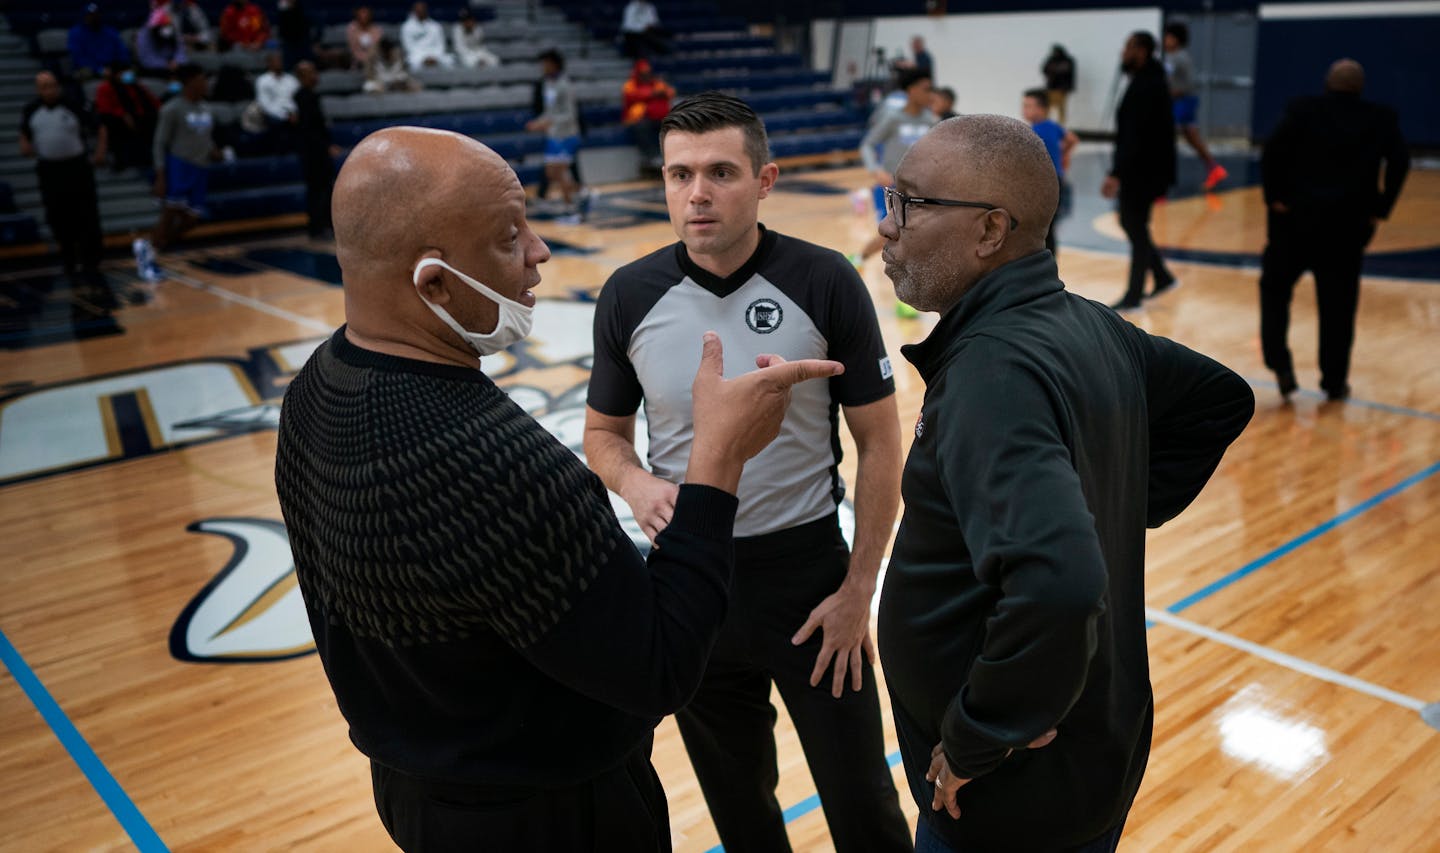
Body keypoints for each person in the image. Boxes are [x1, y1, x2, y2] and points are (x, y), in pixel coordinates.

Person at [273, 124, 844, 851]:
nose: (540, 252)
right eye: (510, 237)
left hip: (415, 790)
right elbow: (660, 667)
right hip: (554, 815)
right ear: (435, 281)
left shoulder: (316, 386)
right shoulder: (497, 468)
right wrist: (718, 459)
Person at [874, 114, 1255, 853]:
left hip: (1007, 795)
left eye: (910, 204)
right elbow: (1219, 398)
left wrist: (983, 734)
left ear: (989, 231)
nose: (889, 227)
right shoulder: (1090, 323)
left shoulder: (994, 372)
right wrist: (1110, 502)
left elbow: (1060, 583)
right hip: (1092, 753)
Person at [585, 91, 912, 853]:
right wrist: (636, 485)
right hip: (691, 581)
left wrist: (859, 587)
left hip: (810, 579)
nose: (696, 193)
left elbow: (882, 443)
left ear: (766, 181)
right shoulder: (630, 295)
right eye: (679, 175)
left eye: (720, 172)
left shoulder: (825, 278)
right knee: (740, 808)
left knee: (863, 800)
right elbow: (603, 433)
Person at [1258, 58, 1409, 402]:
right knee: (1339, 308)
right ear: (1360, 86)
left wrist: (1275, 197)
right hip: (1346, 228)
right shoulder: (1380, 118)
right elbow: (1400, 162)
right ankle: (1334, 382)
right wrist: (1380, 208)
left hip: (1294, 223)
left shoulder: (1301, 110)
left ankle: (1280, 365)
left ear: (1327, 81)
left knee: (1275, 292)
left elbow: (1272, 152)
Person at [19, 71, 111, 305]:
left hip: (77, 168)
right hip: (50, 171)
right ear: (38, 89)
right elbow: (24, 133)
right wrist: (25, 145)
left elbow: (99, 127)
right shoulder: (31, 110)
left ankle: (92, 261)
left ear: (58, 86)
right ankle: (69, 259)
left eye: (51, 85)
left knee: (86, 215)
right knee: (58, 216)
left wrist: (100, 152)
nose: (48, 90)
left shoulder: (74, 105)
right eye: (43, 86)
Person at [1103, 31, 1178, 312]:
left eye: (1128, 47)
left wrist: (1116, 173)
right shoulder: (1150, 79)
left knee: (1134, 225)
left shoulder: (1147, 85)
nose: (1123, 53)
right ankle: (1161, 275)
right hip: (1147, 168)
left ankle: (1134, 295)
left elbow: (1136, 136)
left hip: (1143, 170)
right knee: (1133, 225)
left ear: (1142, 51)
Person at [854, 67, 937, 310]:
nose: (930, 93)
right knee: (894, 235)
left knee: (905, 237)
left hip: (918, 191)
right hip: (890, 188)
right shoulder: (892, 118)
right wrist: (875, 170)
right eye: (926, 88)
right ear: (911, 91)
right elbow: (868, 145)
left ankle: (902, 297)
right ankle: (862, 260)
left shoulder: (930, 121)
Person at [133, 63, 219, 283]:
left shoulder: (206, 109)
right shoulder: (172, 108)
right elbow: (159, 143)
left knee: (191, 220)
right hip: (179, 166)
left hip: (200, 169)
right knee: (169, 213)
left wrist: (213, 150)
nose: (206, 83)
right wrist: (161, 175)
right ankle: (149, 256)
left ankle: (149, 246)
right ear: (190, 82)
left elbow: (205, 138)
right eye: (202, 78)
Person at [1163, 22, 1226, 191]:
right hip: (1181, 102)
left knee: (1166, 136)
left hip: (1184, 102)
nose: (1165, 40)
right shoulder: (1170, 57)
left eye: (1168, 37)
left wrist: (1174, 93)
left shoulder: (1180, 57)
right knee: (1192, 137)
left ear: (1176, 40)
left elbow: (1189, 83)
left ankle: (1162, 175)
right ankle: (1214, 167)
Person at [526, 49, 585, 223]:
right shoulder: (548, 84)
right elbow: (550, 111)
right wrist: (539, 122)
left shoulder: (565, 85)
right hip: (554, 134)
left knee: (559, 172)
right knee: (550, 172)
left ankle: (572, 209)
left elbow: (569, 114)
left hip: (565, 134)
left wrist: (548, 122)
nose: (542, 67)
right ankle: (584, 194)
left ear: (554, 64)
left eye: (545, 63)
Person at [1022, 88, 1077, 257]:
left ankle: (1046, 266)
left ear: (1042, 109)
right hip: (1056, 180)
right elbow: (1072, 139)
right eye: (1024, 106)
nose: (1024, 110)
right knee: (1049, 229)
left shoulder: (1036, 131)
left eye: (1028, 106)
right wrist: (1064, 155)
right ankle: (1050, 267)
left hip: (1046, 183)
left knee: (1043, 230)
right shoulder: (1053, 126)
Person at [293, 61, 341, 238]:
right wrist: (325, 146)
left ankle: (326, 225)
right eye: (310, 72)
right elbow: (308, 129)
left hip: (318, 150)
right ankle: (317, 227)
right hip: (312, 152)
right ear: (301, 77)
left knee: (326, 188)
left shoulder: (312, 95)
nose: (315, 75)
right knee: (316, 190)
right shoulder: (303, 97)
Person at [94, 61, 161, 171]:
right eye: (124, 72)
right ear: (116, 74)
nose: (128, 75)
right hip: (118, 120)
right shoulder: (105, 88)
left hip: (143, 118)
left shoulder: (137, 86)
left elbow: (153, 102)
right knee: (111, 123)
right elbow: (104, 109)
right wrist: (123, 114)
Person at [620, 58, 672, 172]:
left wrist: (654, 95)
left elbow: (669, 92)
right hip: (636, 120)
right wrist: (652, 94)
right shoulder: (630, 84)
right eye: (643, 73)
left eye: (647, 73)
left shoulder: (656, 82)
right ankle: (650, 157)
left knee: (671, 126)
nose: (645, 75)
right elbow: (632, 96)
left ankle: (668, 157)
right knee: (642, 127)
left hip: (657, 118)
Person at [68, 4, 130, 80]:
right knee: (84, 74)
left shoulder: (110, 32)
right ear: (85, 16)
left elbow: (122, 51)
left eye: (96, 15)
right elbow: (78, 57)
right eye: (90, 15)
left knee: (130, 77)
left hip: (113, 68)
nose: (94, 18)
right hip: (90, 69)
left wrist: (121, 67)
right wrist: (99, 69)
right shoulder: (76, 33)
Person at [255, 51, 299, 135]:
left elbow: (298, 99)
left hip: (293, 114)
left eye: (280, 60)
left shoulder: (291, 79)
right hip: (273, 115)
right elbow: (264, 104)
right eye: (275, 61)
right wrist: (285, 116)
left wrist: (293, 112)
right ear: (269, 63)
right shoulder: (262, 80)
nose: (279, 63)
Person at [399, 2, 452, 71]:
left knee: (449, 60)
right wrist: (424, 59)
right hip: (417, 56)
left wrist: (434, 57)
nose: (420, 12)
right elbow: (408, 47)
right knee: (412, 62)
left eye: (422, 10)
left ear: (426, 10)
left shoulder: (435, 26)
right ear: (414, 11)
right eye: (418, 10)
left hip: (435, 55)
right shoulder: (406, 27)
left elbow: (441, 45)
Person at [136, 12, 187, 77]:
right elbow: (147, 59)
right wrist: (165, 65)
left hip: (175, 66)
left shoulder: (172, 30)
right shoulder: (144, 35)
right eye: (162, 26)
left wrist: (177, 62)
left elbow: (180, 51)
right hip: (154, 68)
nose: (165, 28)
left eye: (166, 25)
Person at [1042, 44, 1075, 125]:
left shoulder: (1067, 61)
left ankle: (1060, 126)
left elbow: (1067, 73)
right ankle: (1046, 125)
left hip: (1061, 88)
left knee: (1061, 108)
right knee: (1047, 107)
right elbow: (1044, 69)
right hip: (1051, 87)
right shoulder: (1051, 60)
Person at [276, 0, 312, 69]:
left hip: (302, 40)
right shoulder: (282, 8)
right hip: (288, 41)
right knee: (288, 65)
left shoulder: (301, 8)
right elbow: (282, 26)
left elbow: (305, 25)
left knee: (305, 65)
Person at [346, 5, 383, 69]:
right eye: (361, 14)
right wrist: (364, 59)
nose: (364, 17)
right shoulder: (351, 29)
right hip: (357, 62)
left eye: (366, 14)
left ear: (370, 16)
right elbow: (353, 49)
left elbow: (377, 47)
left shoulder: (377, 30)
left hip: (374, 61)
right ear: (357, 15)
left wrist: (369, 59)